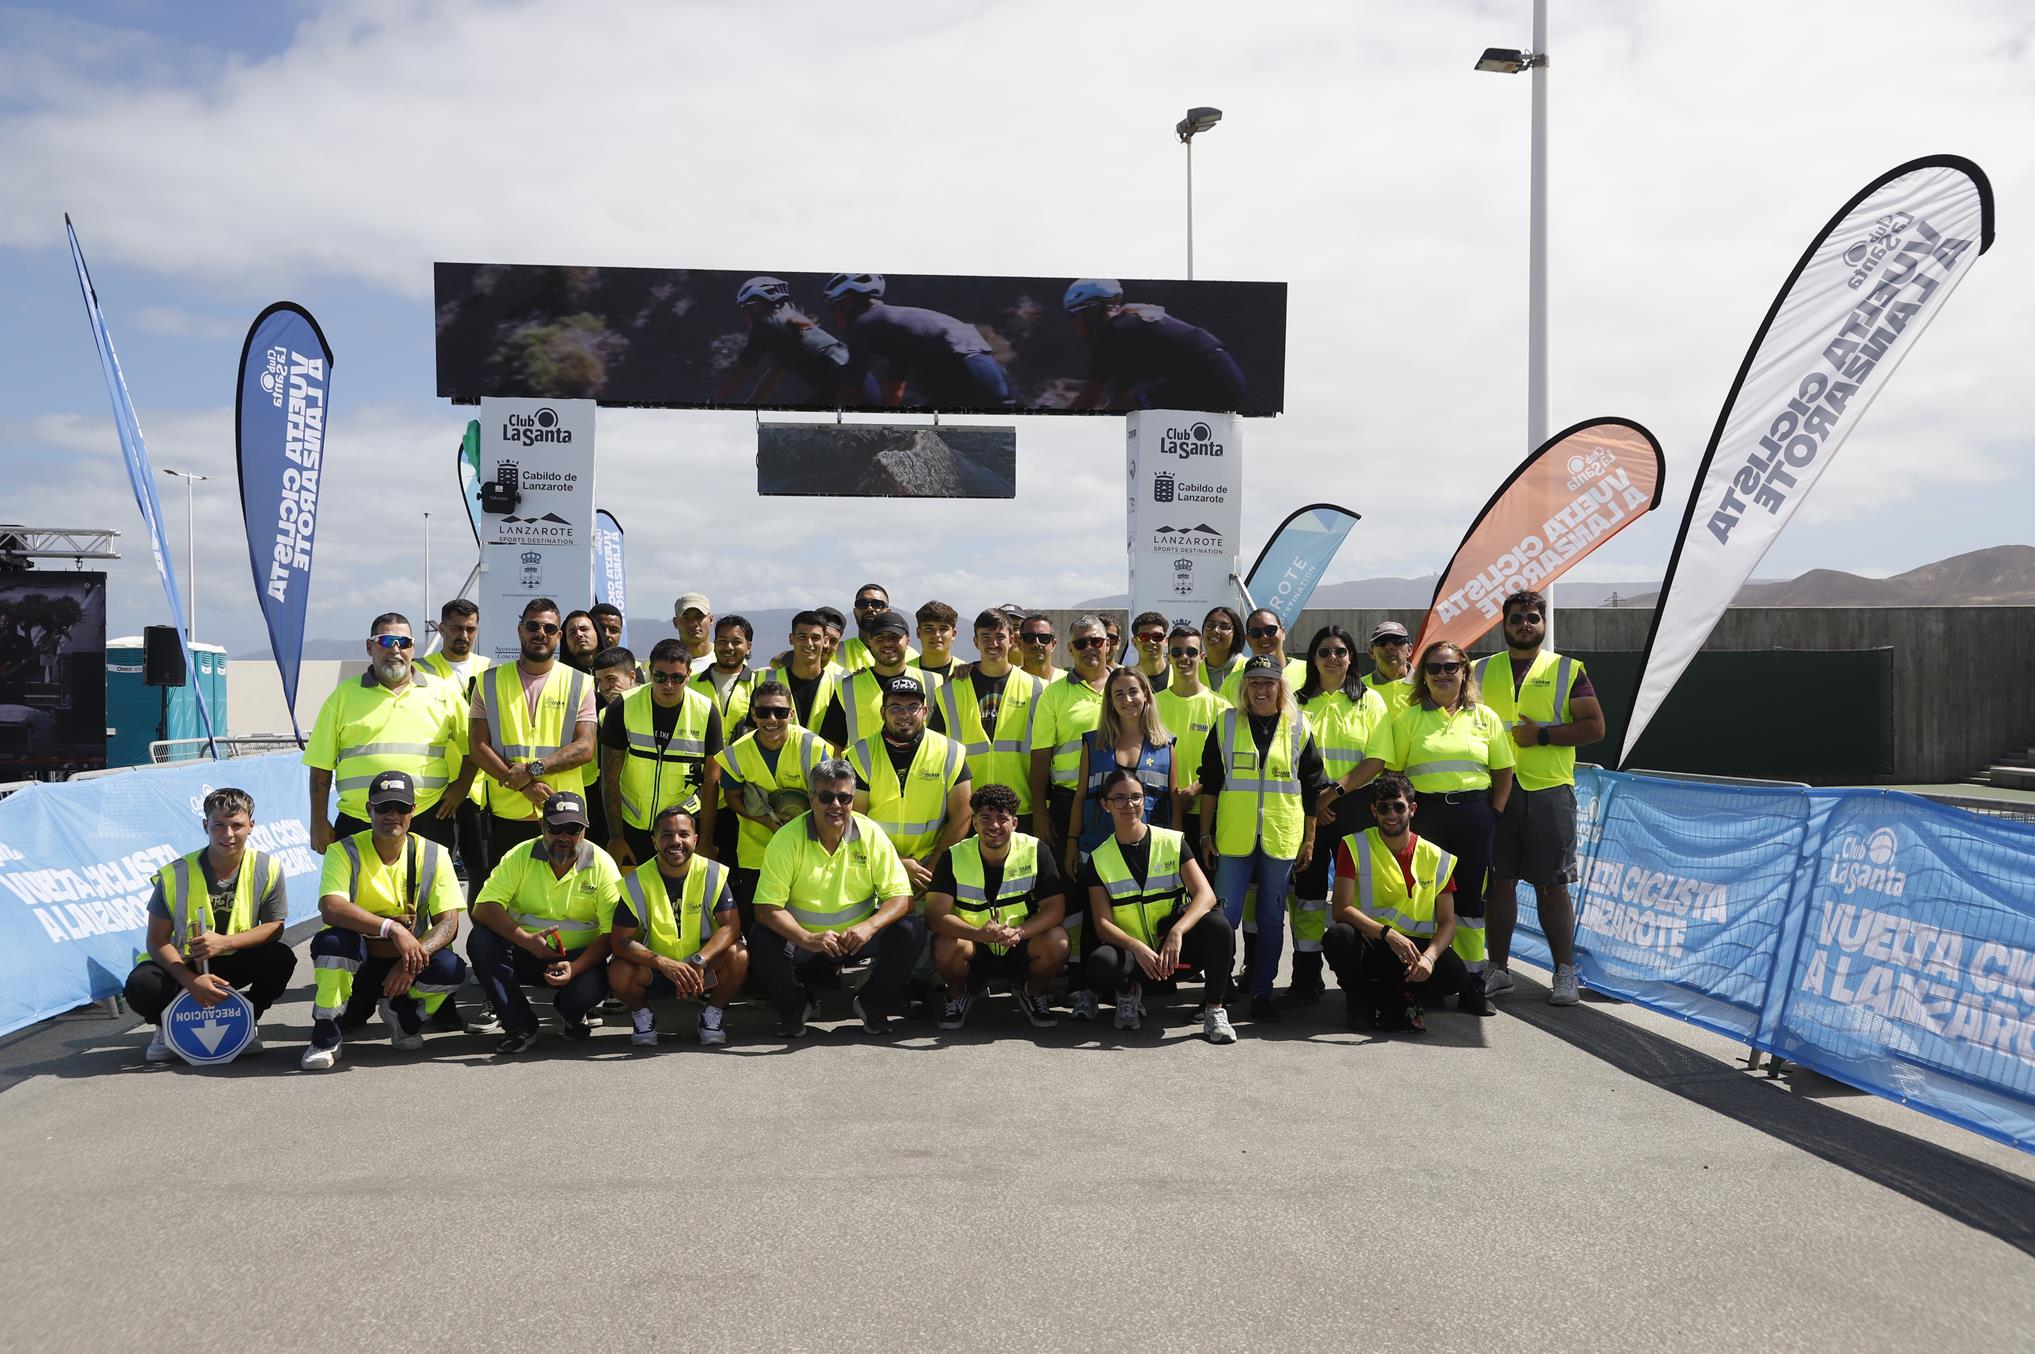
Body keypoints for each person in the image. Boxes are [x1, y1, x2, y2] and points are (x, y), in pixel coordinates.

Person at [1343, 640, 1514, 1016]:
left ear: (1464, 671)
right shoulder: (1408, 719)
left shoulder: (1485, 718)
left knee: (1470, 905)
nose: (1441, 674)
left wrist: (1493, 814)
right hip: (1428, 817)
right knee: (1427, 901)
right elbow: (1394, 773)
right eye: (1433, 668)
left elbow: (1504, 771)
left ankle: (1472, 986)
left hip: (1474, 816)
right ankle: (1421, 974)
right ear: (1423, 676)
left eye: (1449, 667)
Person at [1476, 589, 1606, 1008]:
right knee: (1499, 883)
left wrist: (1543, 736)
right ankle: (1498, 969)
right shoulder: (1478, 670)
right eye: (1516, 618)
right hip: (1497, 791)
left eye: (1532, 617)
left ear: (1543, 623)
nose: (1525, 624)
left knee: (1553, 886)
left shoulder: (1568, 669)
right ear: (1504, 624)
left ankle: (1564, 972)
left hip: (1549, 791)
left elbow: (1594, 727)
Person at [303, 771, 468, 1070]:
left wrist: (411, 960)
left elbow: (449, 924)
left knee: (452, 969)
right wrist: (391, 928)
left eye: (402, 808)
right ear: (369, 810)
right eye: (383, 807)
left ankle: (403, 1015)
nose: (393, 815)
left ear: (413, 811)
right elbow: (331, 908)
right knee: (332, 943)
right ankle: (325, 1035)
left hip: (403, 966)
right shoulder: (344, 850)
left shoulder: (435, 853)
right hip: (359, 966)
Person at [1198, 655, 1331, 1021]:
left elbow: (1312, 789)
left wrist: (1309, 840)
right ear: (1244, 687)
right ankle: (1218, 991)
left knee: (1273, 919)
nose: (1261, 689)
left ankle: (1262, 992)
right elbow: (1210, 784)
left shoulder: (1299, 726)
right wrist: (1206, 835)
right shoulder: (1225, 724)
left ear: (1280, 686)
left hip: (1280, 837)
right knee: (1224, 918)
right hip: (1233, 839)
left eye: (1268, 682)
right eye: (1254, 682)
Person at [749, 758, 924, 1037]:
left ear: (853, 799)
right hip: (804, 942)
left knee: (911, 929)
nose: (836, 805)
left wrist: (869, 927)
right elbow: (766, 908)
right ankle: (796, 1006)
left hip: (858, 939)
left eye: (844, 797)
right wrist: (806, 938)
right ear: (811, 798)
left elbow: (902, 898)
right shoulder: (786, 839)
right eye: (827, 797)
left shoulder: (870, 833)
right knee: (761, 936)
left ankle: (872, 1003)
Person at [125, 787, 295, 1063]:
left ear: (251, 826)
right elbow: (156, 942)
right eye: (219, 826)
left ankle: (244, 1020)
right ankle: (167, 1027)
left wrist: (225, 943)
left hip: (232, 959)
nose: (228, 835)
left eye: (237, 825)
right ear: (206, 825)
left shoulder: (267, 867)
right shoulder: (176, 873)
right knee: (141, 985)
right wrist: (191, 981)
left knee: (280, 958)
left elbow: (275, 926)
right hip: (183, 963)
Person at [1083, 768, 1238, 1043]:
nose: (1128, 805)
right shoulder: (1098, 858)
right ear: (1105, 805)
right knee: (1101, 961)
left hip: (1175, 953)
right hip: (1139, 959)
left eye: (1135, 797)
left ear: (1145, 801)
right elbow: (1102, 924)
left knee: (1219, 926)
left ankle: (1215, 1009)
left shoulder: (1173, 842)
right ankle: (1129, 995)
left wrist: (1177, 932)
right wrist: (1136, 947)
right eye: (1119, 799)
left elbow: (1206, 895)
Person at [468, 791, 620, 1053]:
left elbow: (612, 933)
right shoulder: (520, 855)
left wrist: (576, 966)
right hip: (525, 951)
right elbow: (483, 908)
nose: (564, 837)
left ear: (584, 830)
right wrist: (525, 940)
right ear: (542, 826)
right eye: (556, 827)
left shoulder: (603, 864)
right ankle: (520, 1026)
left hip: (578, 960)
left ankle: (571, 1015)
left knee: (590, 988)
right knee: (481, 940)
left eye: (572, 829)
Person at [304, 611, 469, 853]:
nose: (395, 649)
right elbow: (320, 765)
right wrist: (317, 821)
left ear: (413, 649)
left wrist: (460, 789)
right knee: (356, 891)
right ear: (370, 647)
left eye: (403, 643)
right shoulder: (341, 697)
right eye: (385, 641)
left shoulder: (444, 693)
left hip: (427, 817)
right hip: (359, 820)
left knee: (427, 891)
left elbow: (476, 746)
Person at [1322, 772, 1473, 1032]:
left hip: (1415, 949)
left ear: (1412, 809)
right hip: (1375, 941)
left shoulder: (1435, 856)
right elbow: (1341, 909)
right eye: (1383, 807)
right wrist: (1388, 934)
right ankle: (1363, 999)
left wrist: (1429, 958)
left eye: (1398, 807)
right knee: (1339, 937)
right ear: (1373, 811)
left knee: (1455, 976)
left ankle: (1391, 995)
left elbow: (1448, 922)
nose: (1391, 814)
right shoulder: (1354, 845)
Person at [1286, 625, 1389, 1006]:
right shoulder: (1294, 702)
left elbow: (1376, 760)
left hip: (1353, 808)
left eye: (1341, 651)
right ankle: (1306, 976)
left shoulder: (1370, 701)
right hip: (1307, 810)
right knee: (1308, 898)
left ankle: (1362, 977)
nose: (1333, 658)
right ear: (1313, 658)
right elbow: (1287, 756)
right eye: (1325, 651)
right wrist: (1315, 803)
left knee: (1358, 895)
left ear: (1352, 658)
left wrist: (1331, 795)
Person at [923, 783, 1067, 1031]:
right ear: (975, 823)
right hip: (975, 945)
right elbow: (935, 916)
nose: (994, 826)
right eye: (985, 818)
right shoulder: (953, 856)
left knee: (1058, 941)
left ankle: (1032, 993)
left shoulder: (1036, 851)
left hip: (1020, 942)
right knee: (944, 944)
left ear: (1015, 823)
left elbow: (1055, 909)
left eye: (1002, 818)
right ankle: (959, 996)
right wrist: (978, 934)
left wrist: (1019, 933)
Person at [605, 806, 750, 1047]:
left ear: (695, 838)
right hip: (654, 971)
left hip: (700, 972)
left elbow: (731, 927)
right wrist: (663, 963)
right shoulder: (636, 880)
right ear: (654, 841)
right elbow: (620, 942)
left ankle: (712, 1013)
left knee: (739, 955)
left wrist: (699, 960)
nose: (676, 841)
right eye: (666, 835)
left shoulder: (711, 873)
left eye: (683, 834)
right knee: (618, 971)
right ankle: (643, 1016)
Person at [468, 597, 599, 858]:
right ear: (520, 630)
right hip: (506, 814)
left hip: (564, 814)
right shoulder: (487, 682)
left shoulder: (580, 683)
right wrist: (526, 786)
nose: (541, 633)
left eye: (549, 629)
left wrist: (532, 770)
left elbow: (585, 747)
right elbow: (477, 747)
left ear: (559, 635)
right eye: (533, 626)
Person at [1028, 614, 1115, 951]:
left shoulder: (1125, 685)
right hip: (1067, 803)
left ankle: (1113, 967)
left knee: (1114, 884)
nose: (1090, 649)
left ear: (1107, 644)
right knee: (1073, 886)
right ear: (1069, 649)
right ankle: (1076, 968)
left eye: (1096, 641)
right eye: (1081, 643)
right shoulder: (1054, 694)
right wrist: (1040, 812)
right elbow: (1040, 760)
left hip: (1120, 805)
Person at [599, 638, 723, 870]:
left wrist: (705, 840)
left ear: (688, 674)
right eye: (660, 677)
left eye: (677, 678)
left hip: (681, 831)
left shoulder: (706, 712)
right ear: (649, 671)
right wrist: (616, 837)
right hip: (631, 827)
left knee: (678, 903)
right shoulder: (623, 707)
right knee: (632, 902)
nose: (668, 685)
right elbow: (609, 778)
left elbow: (711, 781)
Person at [713, 679, 828, 927]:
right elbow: (732, 798)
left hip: (808, 847)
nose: (771, 719)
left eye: (780, 712)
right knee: (759, 920)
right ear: (753, 713)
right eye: (763, 712)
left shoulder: (812, 746)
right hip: (756, 851)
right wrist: (766, 822)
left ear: (792, 714)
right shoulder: (737, 752)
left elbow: (829, 798)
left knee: (805, 917)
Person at [847, 675, 972, 894]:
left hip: (932, 866)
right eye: (895, 707)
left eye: (913, 707)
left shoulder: (951, 752)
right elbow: (854, 821)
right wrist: (898, 863)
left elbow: (962, 816)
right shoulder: (860, 754)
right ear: (882, 712)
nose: (905, 715)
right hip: (874, 864)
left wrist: (931, 870)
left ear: (925, 711)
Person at [824, 273, 1015, 410]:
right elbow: (895, 389)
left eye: (833, 308)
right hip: (984, 366)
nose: (834, 316)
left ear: (847, 302)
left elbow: (852, 388)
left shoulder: (863, 324)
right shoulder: (893, 326)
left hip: (959, 370)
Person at [1062, 278, 1248, 412]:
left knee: (1134, 413)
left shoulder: (1112, 332)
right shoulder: (1128, 326)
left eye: (1073, 314)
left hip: (1207, 382)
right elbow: (1120, 396)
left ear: (1091, 310)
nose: (1073, 323)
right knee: (1129, 410)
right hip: (1226, 379)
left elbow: (1089, 398)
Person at [932, 608, 1047, 814]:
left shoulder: (1037, 689)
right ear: (975, 641)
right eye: (985, 637)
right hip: (968, 809)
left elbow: (1045, 753)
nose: (993, 643)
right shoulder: (949, 691)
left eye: (1000, 637)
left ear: (1012, 639)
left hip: (1022, 807)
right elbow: (937, 751)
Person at [415, 599, 492, 897]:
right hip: (434, 790)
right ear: (442, 628)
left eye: (470, 629)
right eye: (457, 628)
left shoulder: (490, 670)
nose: (464, 635)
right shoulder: (418, 670)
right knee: (431, 870)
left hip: (479, 790)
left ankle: (479, 940)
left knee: (481, 872)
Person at [1069, 667, 1177, 871]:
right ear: (1110, 701)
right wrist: (1072, 841)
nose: (1127, 699)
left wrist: (1179, 847)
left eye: (1133, 691)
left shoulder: (1165, 746)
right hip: (1098, 846)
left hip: (1152, 850)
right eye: (1119, 694)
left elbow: (1174, 801)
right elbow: (1081, 797)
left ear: (1145, 694)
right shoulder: (1093, 744)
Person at [714, 275, 873, 404]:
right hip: (863, 382)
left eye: (744, 310)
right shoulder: (789, 325)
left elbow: (740, 373)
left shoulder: (766, 325)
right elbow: (773, 376)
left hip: (847, 387)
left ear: (755, 306)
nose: (744, 318)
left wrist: (713, 403)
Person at [816, 608, 929, 752]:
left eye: (894, 637)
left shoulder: (932, 682)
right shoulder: (847, 687)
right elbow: (833, 744)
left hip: (918, 773)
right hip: (861, 773)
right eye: (880, 638)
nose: (887, 643)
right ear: (870, 641)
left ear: (908, 641)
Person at [1153, 624, 1229, 829]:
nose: (1183, 657)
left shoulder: (1221, 707)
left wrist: (1195, 789)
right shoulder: (1152, 705)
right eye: (1176, 652)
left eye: (1191, 652)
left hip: (1208, 810)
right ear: (1168, 657)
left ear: (1202, 656)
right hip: (1163, 809)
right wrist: (1172, 794)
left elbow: (1228, 761)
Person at [764, 611, 846, 730]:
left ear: (825, 641)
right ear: (791, 639)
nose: (809, 643)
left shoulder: (843, 684)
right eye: (802, 637)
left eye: (815, 637)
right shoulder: (765, 680)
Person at [1217, 608, 1307, 704]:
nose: (1264, 636)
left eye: (1270, 630)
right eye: (1256, 633)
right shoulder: (1232, 682)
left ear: (1283, 633)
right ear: (1248, 640)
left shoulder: (1309, 671)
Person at [691, 613, 759, 735]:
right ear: (715, 644)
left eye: (736, 642)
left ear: (749, 647)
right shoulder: (691, 684)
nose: (729, 647)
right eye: (723, 641)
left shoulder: (758, 685)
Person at [836, 584, 919, 673]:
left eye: (877, 604)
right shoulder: (837, 652)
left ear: (888, 612)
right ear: (855, 611)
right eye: (862, 604)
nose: (869, 608)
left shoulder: (912, 656)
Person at [1363, 621, 1416, 721]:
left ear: (1409, 650)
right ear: (1371, 652)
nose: (1389, 646)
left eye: (1398, 640)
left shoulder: (1426, 684)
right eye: (1381, 642)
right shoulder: (1359, 688)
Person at [1200, 606, 1247, 693]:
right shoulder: (1193, 671)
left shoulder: (1249, 669)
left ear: (1236, 634)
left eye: (1224, 626)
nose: (1215, 631)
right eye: (1210, 625)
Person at [1125, 610, 1173, 692]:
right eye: (1144, 637)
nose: (1151, 642)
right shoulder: (1124, 678)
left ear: (1166, 641)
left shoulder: (1179, 675)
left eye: (1157, 636)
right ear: (1134, 642)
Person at [914, 600, 960, 682]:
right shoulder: (903, 672)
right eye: (929, 629)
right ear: (918, 632)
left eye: (943, 629)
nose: (936, 635)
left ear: (953, 634)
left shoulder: (967, 673)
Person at [1016, 611, 1065, 683]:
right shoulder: (1010, 681)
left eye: (1044, 638)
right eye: (1029, 638)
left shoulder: (1067, 681)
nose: (1037, 643)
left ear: (1053, 644)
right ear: (1019, 644)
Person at [672, 592, 715, 667]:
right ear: (675, 623)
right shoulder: (665, 664)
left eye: (699, 616)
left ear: (710, 620)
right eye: (686, 618)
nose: (693, 623)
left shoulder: (727, 659)